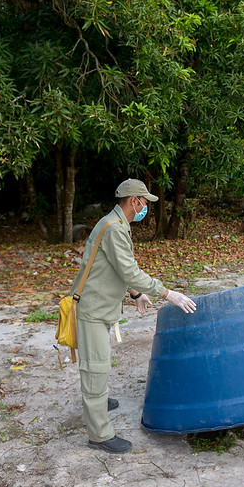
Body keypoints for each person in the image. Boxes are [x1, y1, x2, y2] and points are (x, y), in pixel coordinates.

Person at [70, 179, 197, 453]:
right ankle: (99, 435)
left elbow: (115, 267)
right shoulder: (114, 228)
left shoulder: (116, 224)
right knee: (95, 368)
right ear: (133, 201)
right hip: (92, 309)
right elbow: (128, 270)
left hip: (100, 306)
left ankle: (99, 400)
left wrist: (136, 293)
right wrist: (168, 293)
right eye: (144, 202)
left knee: (98, 362)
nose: (145, 208)